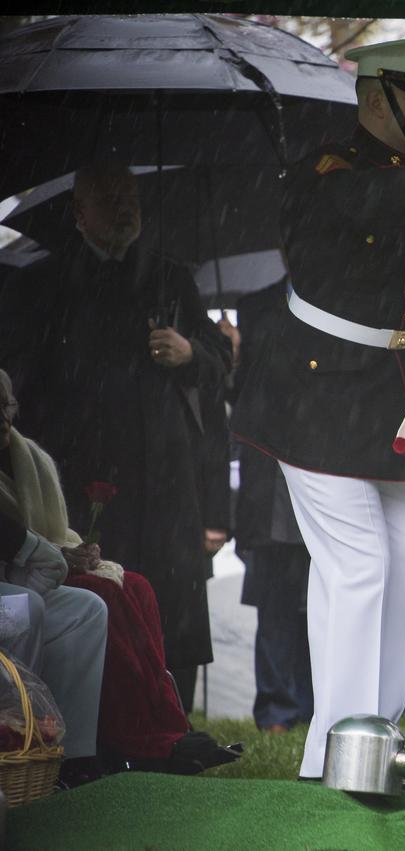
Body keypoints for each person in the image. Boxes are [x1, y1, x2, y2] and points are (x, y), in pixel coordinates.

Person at [229, 37, 405, 779]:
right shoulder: (328, 168)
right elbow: (345, 204)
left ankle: (372, 739)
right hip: (312, 390)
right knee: (358, 564)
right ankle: (333, 754)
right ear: (377, 99)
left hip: (386, 388)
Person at [0, 163, 231, 706]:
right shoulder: (42, 282)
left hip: (165, 472)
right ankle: (97, 720)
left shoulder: (171, 277)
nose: (126, 208)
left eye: (131, 197)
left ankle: (169, 717)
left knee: (168, 601)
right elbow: (21, 378)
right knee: (96, 590)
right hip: (82, 471)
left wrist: (189, 351)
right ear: (80, 215)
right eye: (110, 199)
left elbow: (220, 364)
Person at [0, 371, 108, 787]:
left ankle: (70, 759)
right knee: (24, 609)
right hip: (13, 588)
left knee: (87, 610)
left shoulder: (27, 458)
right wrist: (36, 550)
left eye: (6, 407)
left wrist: (59, 554)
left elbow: (34, 541)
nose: (4, 421)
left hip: (11, 577)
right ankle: (17, 739)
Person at [229, 279, 313, 733]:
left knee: (320, 600)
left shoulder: (339, 292)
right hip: (270, 477)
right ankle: (277, 712)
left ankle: (315, 705)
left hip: (323, 463)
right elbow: (240, 397)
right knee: (276, 602)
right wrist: (230, 357)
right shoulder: (254, 306)